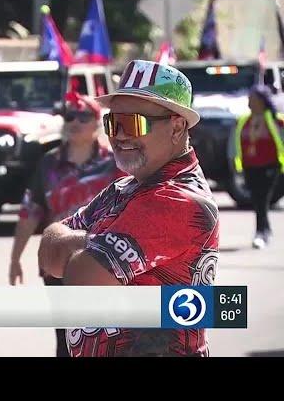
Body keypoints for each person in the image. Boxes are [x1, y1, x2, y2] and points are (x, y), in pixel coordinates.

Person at [38, 60, 219, 357]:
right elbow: (49, 252)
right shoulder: (123, 188)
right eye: (113, 122)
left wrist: (83, 240)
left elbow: (80, 279)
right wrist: (98, 242)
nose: (119, 135)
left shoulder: (180, 200)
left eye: (133, 123)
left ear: (176, 126)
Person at [8, 90, 120, 357]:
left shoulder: (115, 163)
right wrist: (15, 258)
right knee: (66, 338)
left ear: (97, 124)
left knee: (107, 336)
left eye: (83, 116)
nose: (75, 122)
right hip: (57, 263)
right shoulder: (48, 164)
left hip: (103, 261)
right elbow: (30, 212)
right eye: (70, 116)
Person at [233, 84, 284, 249]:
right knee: (257, 200)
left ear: (262, 101)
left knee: (262, 199)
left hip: (270, 166)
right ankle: (265, 230)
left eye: (252, 99)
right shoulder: (244, 120)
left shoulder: (276, 120)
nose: (249, 101)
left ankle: (261, 232)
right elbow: (236, 143)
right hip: (250, 166)